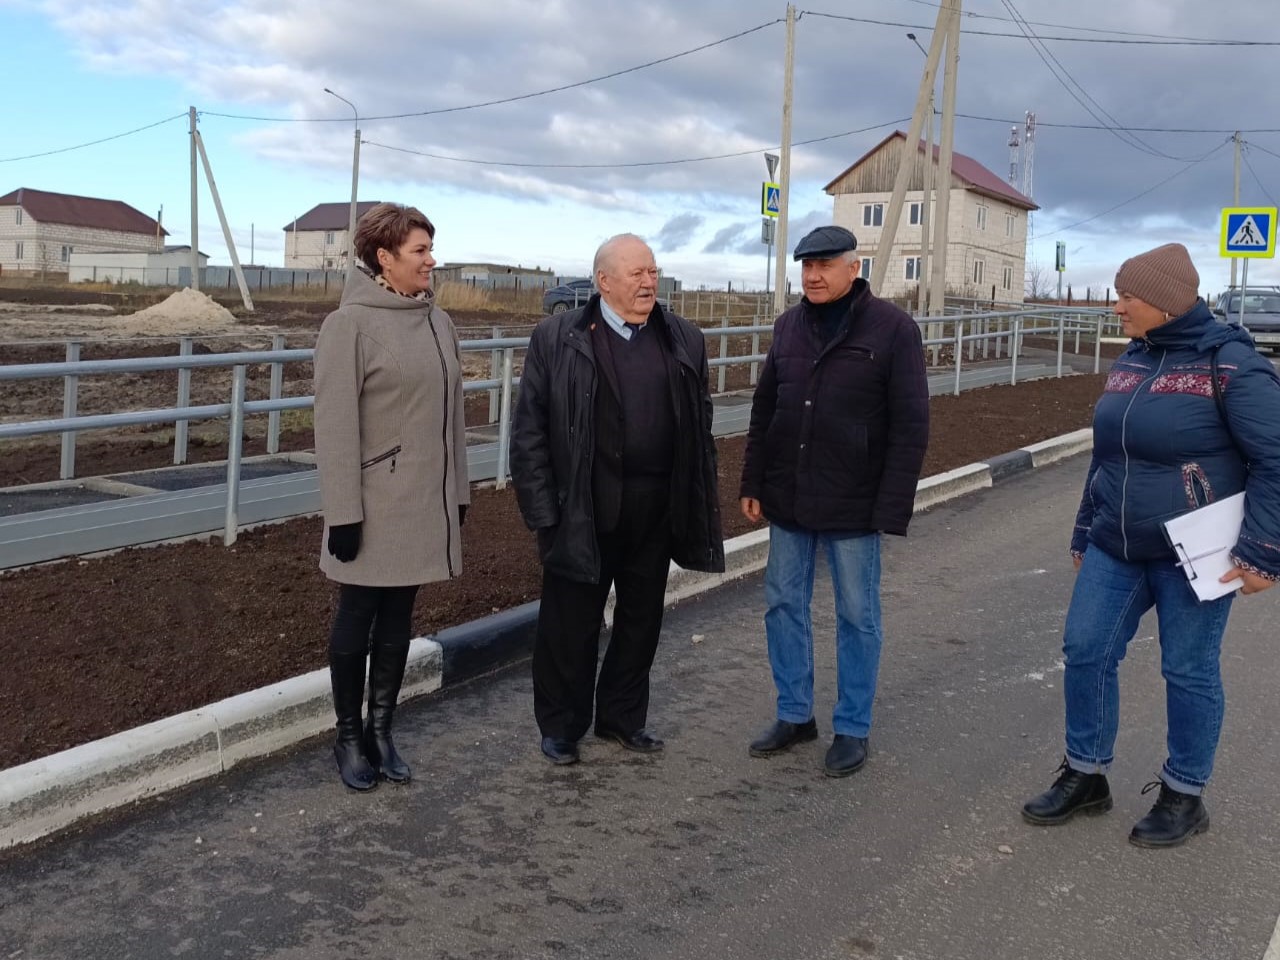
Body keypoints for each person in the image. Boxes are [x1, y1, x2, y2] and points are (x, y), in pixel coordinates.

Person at [1021, 242, 1280, 846]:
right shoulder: (1135, 359)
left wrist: (1263, 552)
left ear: (1164, 302)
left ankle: (1184, 794)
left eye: (1126, 296)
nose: (1116, 307)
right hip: (1118, 544)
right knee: (1086, 650)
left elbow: (1275, 460)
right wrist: (1086, 526)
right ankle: (1086, 774)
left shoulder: (1232, 363)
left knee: (1187, 670)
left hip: (1196, 552)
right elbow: (1109, 454)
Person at [511, 233, 725, 765]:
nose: (649, 281)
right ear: (604, 282)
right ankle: (562, 726)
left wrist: (695, 499)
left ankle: (622, 718)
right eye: (637, 273)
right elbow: (530, 432)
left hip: (656, 509)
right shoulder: (557, 338)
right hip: (582, 508)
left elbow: (699, 423)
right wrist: (544, 513)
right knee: (570, 623)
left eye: (653, 271)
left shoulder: (682, 337)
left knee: (642, 619)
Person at [739, 225, 929, 777]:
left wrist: (892, 506)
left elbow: (910, 425)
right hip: (790, 495)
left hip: (854, 499)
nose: (813, 276)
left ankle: (852, 727)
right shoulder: (788, 327)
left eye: (824, 265)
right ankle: (795, 713)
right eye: (806, 267)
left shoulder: (893, 330)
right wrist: (754, 482)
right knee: (782, 603)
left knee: (856, 615)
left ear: (854, 267)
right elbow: (764, 410)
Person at [313, 202, 469, 791]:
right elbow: (332, 428)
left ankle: (382, 730)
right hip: (373, 503)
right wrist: (343, 514)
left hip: (424, 500)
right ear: (384, 258)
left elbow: (453, 416)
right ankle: (348, 736)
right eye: (420, 251)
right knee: (358, 615)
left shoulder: (437, 321)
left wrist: (457, 492)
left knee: (400, 616)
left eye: (431, 249)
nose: (432, 261)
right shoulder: (348, 325)